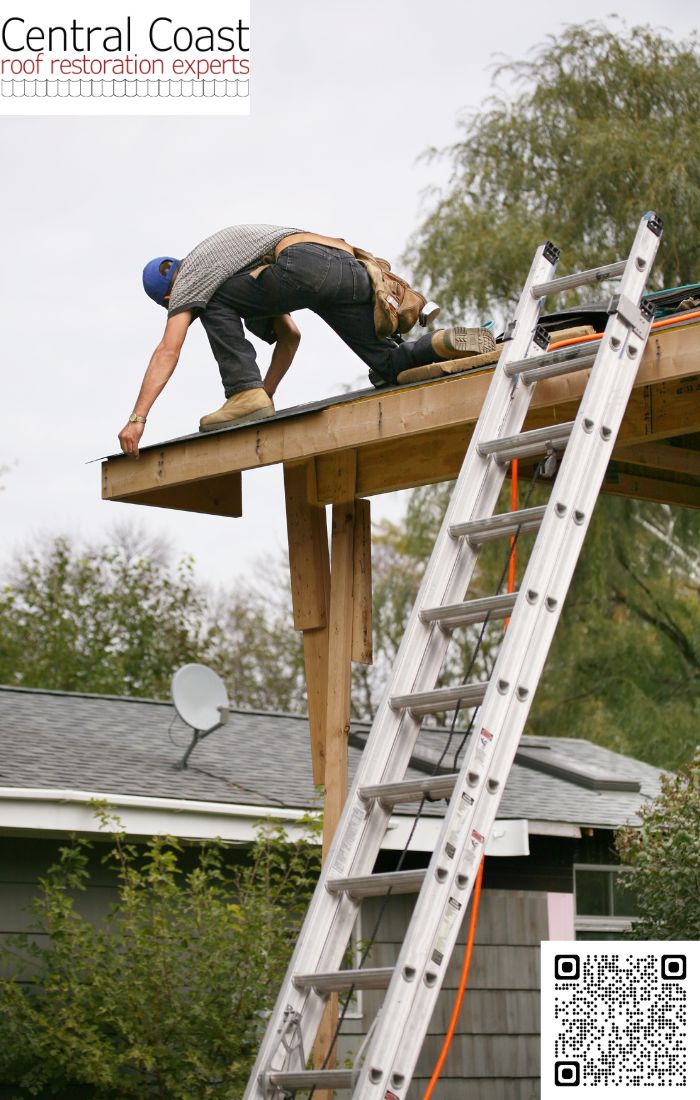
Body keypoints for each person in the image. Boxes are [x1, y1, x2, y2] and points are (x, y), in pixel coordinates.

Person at [118, 224, 495, 456]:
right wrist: (266, 393)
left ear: (169, 299)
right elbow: (290, 337)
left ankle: (241, 392)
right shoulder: (237, 270)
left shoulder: (192, 280)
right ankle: (438, 344)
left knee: (210, 304)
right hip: (348, 267)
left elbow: (168, 349)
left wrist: (138, 418)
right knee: (388, 368)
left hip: (301, 263)